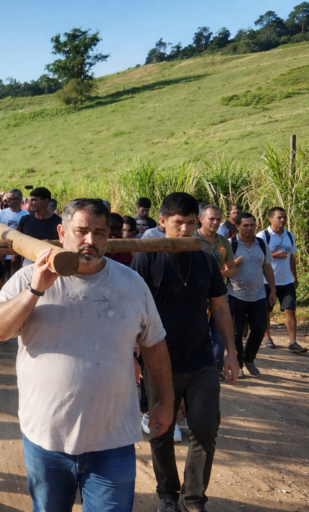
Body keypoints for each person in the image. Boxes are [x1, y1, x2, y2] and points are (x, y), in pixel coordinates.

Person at [0, 198, 174, 512]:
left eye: (99, 233)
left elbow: (154, 344)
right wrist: (35, 290)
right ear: (61, 232)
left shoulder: (131, 284)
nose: (90, 240)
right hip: (47, 440)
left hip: (112, 440)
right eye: (82, 231)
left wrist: (165, 401)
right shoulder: (29, 277)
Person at [131, 192, 239, 512]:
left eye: (191, 223)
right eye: (178, 223)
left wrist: (232, 352)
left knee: (205, 428)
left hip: (201, 359)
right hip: (157, 358)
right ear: (162, 222)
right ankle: (167, 495)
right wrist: (130, 353)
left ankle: (193, 499)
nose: (185, 230)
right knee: (161, 430)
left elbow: (219, 307)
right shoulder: (147, 257)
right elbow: (133, 309)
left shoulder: (206, 259)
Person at [228, 213, 278, 376]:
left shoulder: (262, 244)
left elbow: (267, 267)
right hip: (236, 294)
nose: (250, 228)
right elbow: (222, 268)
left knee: (259, 328)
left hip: (258, 295)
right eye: (245, 225)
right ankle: (238, 365)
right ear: (237, 227)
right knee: (236, 331)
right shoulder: (230, 245)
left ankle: (249, 358)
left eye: (252, 225)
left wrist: (272, 289)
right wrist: (234, 263)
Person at [195, 205, 238, 379]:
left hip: (218, 293)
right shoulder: (192, 240)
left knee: (219, 334)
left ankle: (216, 369)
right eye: (211, 219)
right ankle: (198, 367)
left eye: (218, 219)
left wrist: (217, 274)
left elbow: (232, 268)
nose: (215, 222)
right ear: (201, 219)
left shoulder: (223, 241)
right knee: (197, 332)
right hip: (196, 293)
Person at [259, 207, 306, 353]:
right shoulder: (263, 236)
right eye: (279, 217)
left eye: (284, 217)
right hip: (266, 281)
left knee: (290, 310)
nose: (283, 220)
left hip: (286, 280)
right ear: (270, 219)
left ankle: (292, 341)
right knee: (266, 310)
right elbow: (258, 257)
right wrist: (274, 254)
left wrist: (294, 276)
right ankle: (267, 337)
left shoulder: (289, 235)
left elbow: (292, 256)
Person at [12, 187, 62, 272]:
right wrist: (14, 269)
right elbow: (16, 247)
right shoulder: (25, 220)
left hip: (51, 267)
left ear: (46, 201)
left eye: (34, 200)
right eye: (30, 200)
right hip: (27, 267)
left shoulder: (59, 222)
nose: (31, 203)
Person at [0, 188, 30, 281]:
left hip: (17, 253)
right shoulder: (2, 213)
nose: (8, 201)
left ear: (19, 200)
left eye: (12, 199)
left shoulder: (26, 215)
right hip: (3, 252)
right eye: (7, 198)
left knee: (14, 278)